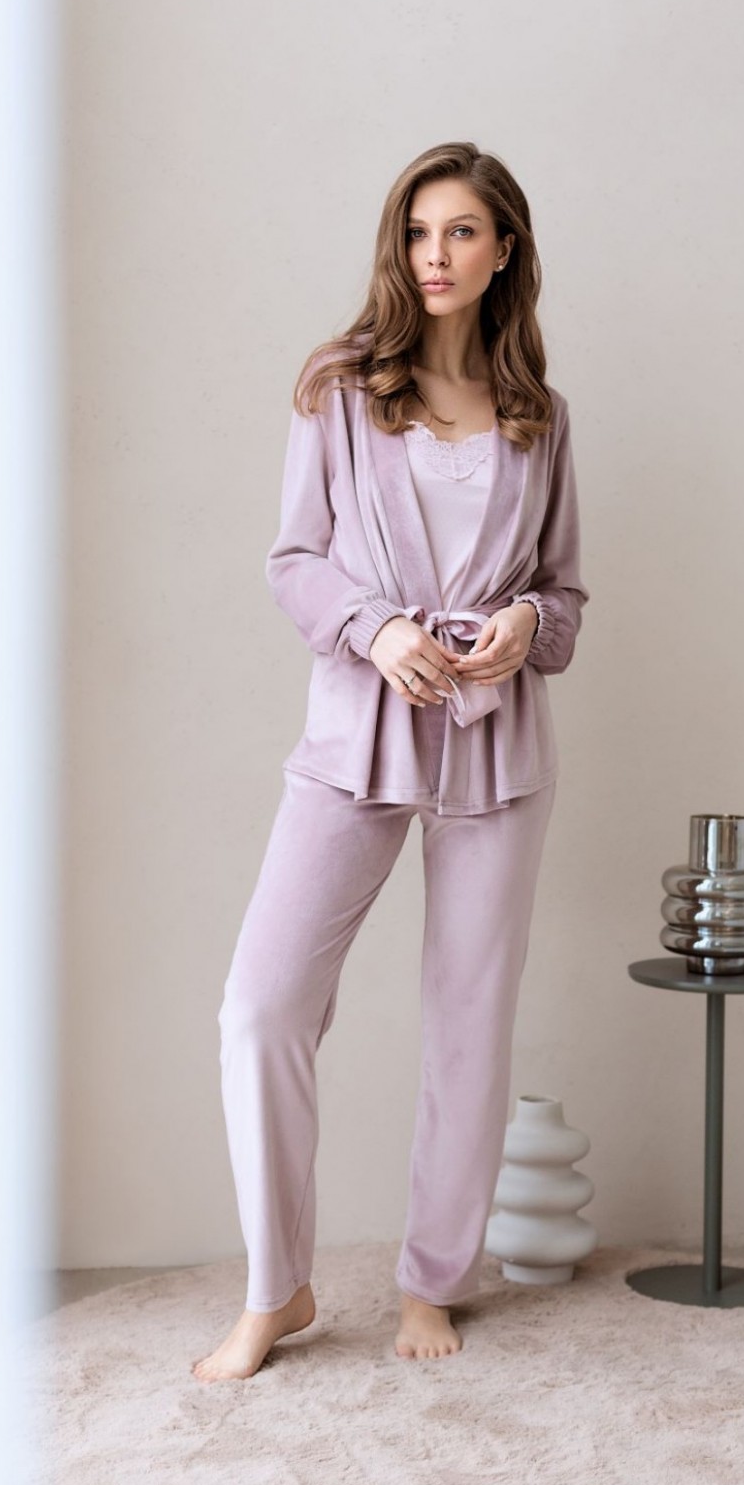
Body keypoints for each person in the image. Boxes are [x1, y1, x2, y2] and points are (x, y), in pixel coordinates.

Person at [193, 141, 589, 1383]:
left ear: (503, 250)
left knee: (469, 1019)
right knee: (262, 1006)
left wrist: (524, 623)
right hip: (355, 733)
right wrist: (375, 629)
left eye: (461, 231)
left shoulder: (538, 416)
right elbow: (293, 560)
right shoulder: (339, 386)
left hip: (496, 745)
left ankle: (432, 1279)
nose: (434, 254)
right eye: (418, 231)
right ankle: (278, 1289)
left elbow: (564, 596)